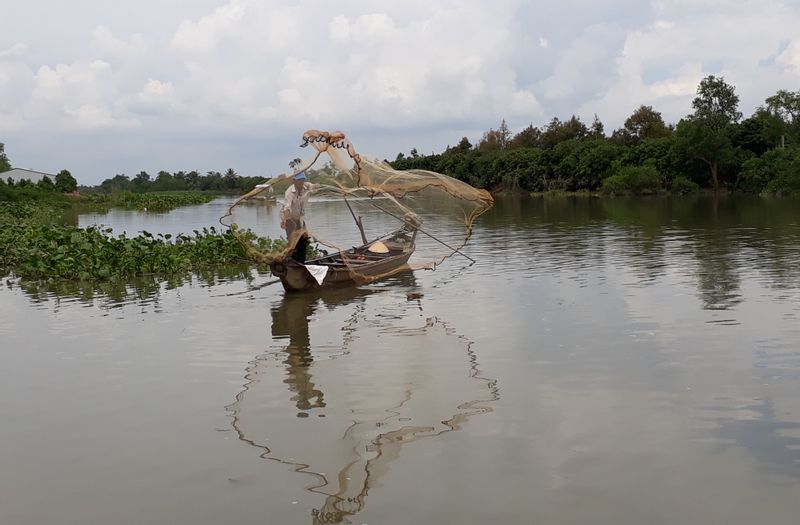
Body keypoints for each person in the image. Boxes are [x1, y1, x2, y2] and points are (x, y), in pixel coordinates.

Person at [280, 171, 313, 263]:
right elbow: (287, 208)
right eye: (299, 180)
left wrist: (316, 187)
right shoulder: (289, 192)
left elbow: (314, 186)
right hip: (289, 219)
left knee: (304, 239)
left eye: (302, 180)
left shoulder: (305, 187)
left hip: (300, 218)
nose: (301, 182)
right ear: (294, 181)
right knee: (293, 242)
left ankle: (301, 262)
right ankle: (293, 262)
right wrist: (284, 221)